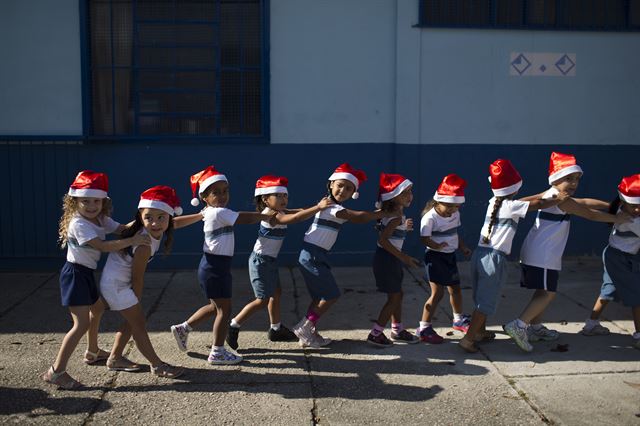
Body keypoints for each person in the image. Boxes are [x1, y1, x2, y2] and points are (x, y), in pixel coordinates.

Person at [504, 152, 629, 353]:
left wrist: (612, 207)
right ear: (555, 179)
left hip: (539, 253)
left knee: (541, 291)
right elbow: (589, 214)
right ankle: (519, 325)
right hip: (542, 255)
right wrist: (618, 219)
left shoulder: (554, 195)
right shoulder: (559, 199)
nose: (573, 183)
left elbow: (585, 202)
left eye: (577, 179)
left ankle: (534, 328)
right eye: (568, 178)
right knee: (548, 293)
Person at [42, 171, 150, 389]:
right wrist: (133, 239)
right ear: (74, 202)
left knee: (97, 309)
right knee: (80, 324)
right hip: (75, 275)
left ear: (103, 201)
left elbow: (121, 228)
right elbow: (103, 246)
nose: (91, 206)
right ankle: (56, 371)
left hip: (86, 273)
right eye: (86, 201)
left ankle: (92, 352)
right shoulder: (79, 224)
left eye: (96, 201)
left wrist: (147, 216)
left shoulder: (100, 218)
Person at [458, 159, 568, 353]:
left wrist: (546, 192)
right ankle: (468, 340)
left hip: (480, 255)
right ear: (515, 186)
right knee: (486, 302)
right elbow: (538, 204)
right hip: (494, 258)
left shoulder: (496, 202)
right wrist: (559, 199)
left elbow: (529, 200)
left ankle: (479, 333)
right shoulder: (511, 206)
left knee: (481, 298)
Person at [170, 166, 276, 365]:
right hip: (215, 267)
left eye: (225, 191)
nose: (222, 195)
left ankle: (183, 328)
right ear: (204, 197)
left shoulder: (209, 211)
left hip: (213, 266)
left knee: (215, 306)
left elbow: (181, 221)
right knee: (224, 310)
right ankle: (217, 351)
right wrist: (263, 215)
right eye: (215, 192)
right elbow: (243, 218)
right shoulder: (219, 212)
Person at [293, 163, 398, 348]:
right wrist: (381, 213)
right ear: (331, 184)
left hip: (316, 255)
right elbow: (358, 217)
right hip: (313, 255)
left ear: (353, 193)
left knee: (320, 296)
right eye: (340, 185)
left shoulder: (328, 204)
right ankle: (305, 326)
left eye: (349, 188)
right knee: (331, 295)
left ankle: (308, 332)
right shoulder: (332, 207)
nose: (343, 190)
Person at [226, 175, 334, 350]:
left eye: (285, 195)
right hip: (259, 262)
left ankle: (275, 329)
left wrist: (321, 206)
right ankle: (233, 325)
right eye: (278, 195)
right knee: (261, 300)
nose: (283, 199)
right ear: (265, 199)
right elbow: (296, 218)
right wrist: (317, 207)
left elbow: (298, 211)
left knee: (276, 293)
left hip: (269, 261)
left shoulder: (280, 211)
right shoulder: (271, 216)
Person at [99, 185, 191, 379]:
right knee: (139, 323)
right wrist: (137, 298)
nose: (155, 223)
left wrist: (201, 216)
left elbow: (177, 223)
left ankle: (115, 358)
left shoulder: (158, 228)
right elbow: (137, 276)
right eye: (149, 217)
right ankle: (157, 365)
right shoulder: (143, 244)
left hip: (117, 283)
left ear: (169, 218)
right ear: (141, 216)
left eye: (161, 217)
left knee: (132, 321)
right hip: (116, 285)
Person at [581, 174, 640, 349]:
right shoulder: (632, 220)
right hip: (622, 259)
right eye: (634, 206)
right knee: (637, 296)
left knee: (609, 290)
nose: (637, 209)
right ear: (624, 201)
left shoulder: (620, 209)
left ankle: (591, 324)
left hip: (613, 255)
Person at [366, 173, 420, 347]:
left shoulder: (395, 214)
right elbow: (383, 240)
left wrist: (405, 227)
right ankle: (376, 333)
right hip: (388, 260)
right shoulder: (395, 217)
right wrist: (404, 257)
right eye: (404, 193)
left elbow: (392, 232)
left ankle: (397, 329)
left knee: (398, 294)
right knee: (394, 297)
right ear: (392, 196)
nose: (409, 196)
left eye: (410, 192)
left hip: (390, 259)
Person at [417, 174, 472, 344]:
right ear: (437, 201)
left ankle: (458, 320)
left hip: (450, 256)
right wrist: (436, 246)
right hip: (435, 257)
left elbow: (455, 233)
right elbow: (424, 238)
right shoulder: (429, 218)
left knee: (455, 289)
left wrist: (462, 247)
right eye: (448, 206)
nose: (452, 210)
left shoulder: (455, 215)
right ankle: (424, 327)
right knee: (437, 293)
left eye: (455, 206)